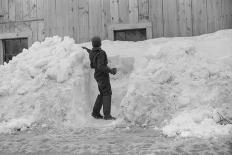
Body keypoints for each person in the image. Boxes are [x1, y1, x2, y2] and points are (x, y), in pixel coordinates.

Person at [82, 36, 117, 120]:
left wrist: (87, 49)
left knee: (102, 93)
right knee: (107, 93)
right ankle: (107, 115)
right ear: (100, 43)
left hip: (97, 76)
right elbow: (101, 66)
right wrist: (111, 71)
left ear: (93, 44)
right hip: (102, 76)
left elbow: (92, 53)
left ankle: (95, 113)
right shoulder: (101, 53)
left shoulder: (92, 52)